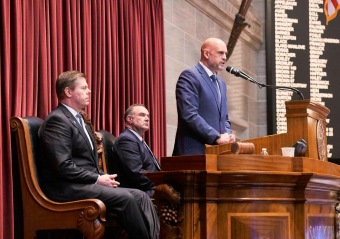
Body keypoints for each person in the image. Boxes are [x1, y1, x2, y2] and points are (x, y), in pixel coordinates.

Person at [38, 71, 159, 239]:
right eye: (84, 88)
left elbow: (88, 164)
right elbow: (62, 166)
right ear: (68, 92)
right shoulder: (57, 120)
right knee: (126, 198)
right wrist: (97, 179)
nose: (89, 92)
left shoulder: (80, 121)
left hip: (84, 183)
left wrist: (103, 176)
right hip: (66, 187)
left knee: (140, 195)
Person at [173, 38, 236, 156]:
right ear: (206, 53)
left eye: (225, 54)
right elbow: (189, 115)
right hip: (194, 151)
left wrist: (227, 135)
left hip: (217, 153)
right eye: (220, 53)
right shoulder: (190, 76)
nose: (224, 57)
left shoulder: (221, 83)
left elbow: (224, 117)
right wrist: (216, 136)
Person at [110, 104, 161, 197]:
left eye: (148, 116)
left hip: (148, 188)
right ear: (129, 119)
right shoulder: (126, 140)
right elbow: (137, 175)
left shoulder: (136, 139)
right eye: (142, 115)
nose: (147, 119)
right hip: (139, 192)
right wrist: (161, 183)